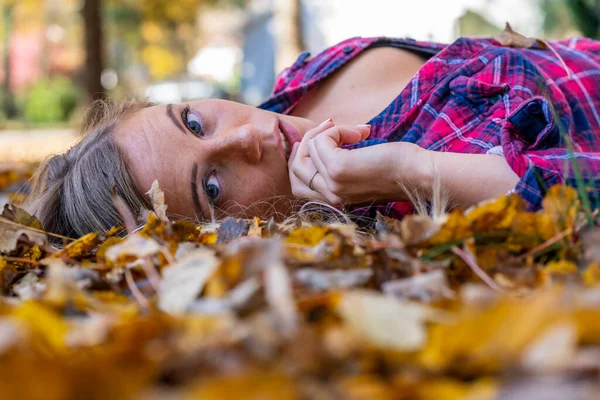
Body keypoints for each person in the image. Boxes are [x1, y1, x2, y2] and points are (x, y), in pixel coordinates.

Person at [26, 35, 600, 238]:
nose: (244, 139)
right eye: (214, 189)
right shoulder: (399, 211)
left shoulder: (302, 78)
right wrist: (415, 171)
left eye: (194, 123)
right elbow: (585, 196)